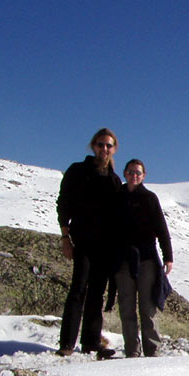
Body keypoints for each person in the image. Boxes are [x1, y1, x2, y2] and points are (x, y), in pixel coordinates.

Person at [55, 128, 121, 358]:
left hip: (105, 246)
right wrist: (65, 236)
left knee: (97, 294)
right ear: (93, 146)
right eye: (101, 144)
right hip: (82, 240)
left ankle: (92, 342)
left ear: (114, 149)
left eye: (108, 146)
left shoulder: (114, 180)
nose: (104, 149)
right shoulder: (77, 171)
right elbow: (63, 203)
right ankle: (66, 344)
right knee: (78, 290)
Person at [113, 158, 173, 357]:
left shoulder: (149, 198)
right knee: (126, 307)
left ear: (144, 176)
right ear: (125, 173)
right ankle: (132, 350)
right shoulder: (117, 196)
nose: (134, 176)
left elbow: (161, 229)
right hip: (123, 260)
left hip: (146, 259)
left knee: (148, 308)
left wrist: (168, 257)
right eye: (130, 172)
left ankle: (152, 350)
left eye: (138, 173)